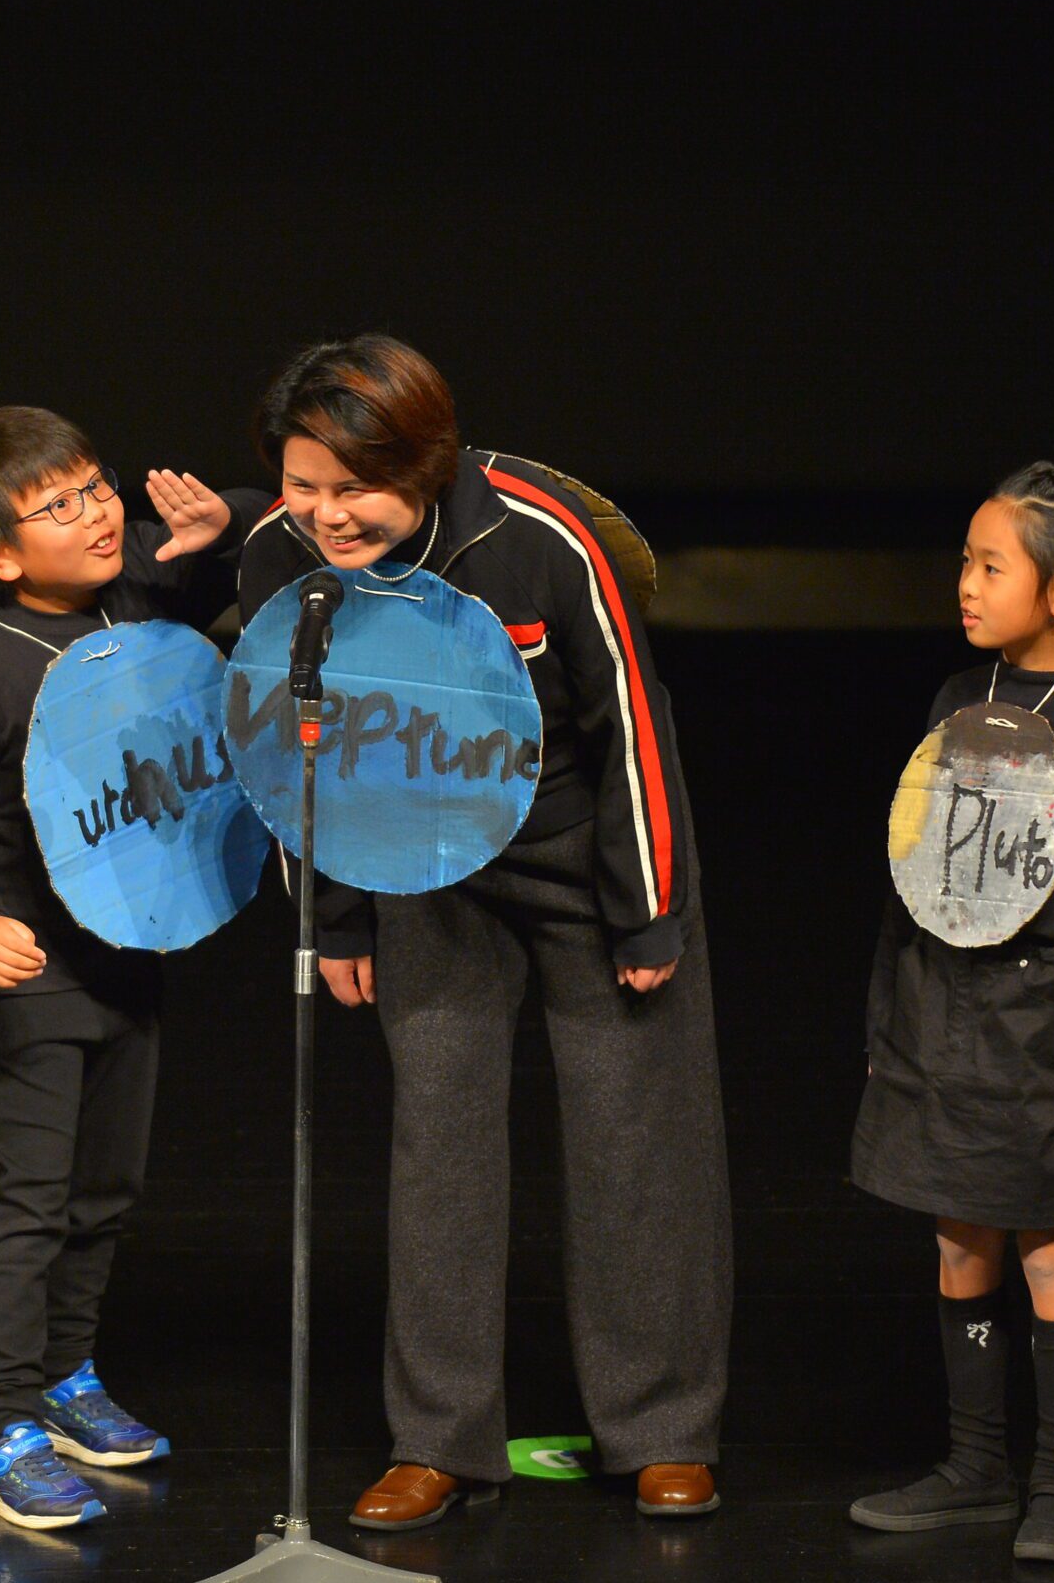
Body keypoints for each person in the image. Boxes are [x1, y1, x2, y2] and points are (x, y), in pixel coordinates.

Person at [235, 334, 731, 1528]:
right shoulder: (280, 562)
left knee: (633, 1145)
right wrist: (337, 913)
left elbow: (631, 726)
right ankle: (439, 1440)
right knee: (438, 1147)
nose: (323, 514)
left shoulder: (538, 535)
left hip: (582, 856)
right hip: (425, 863)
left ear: (425, 462)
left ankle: (661, 1429)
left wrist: (648, 907)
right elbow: (302, 751)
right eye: (301, 485)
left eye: (351, 488)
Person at [0, 406, 265, 1530]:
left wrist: (225, 525)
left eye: (98, 487)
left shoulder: (140, 602)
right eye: (56, 506)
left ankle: (66, 1378)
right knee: (26, 1198)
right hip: (30, 971)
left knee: (103, 1193)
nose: (97, 513)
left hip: (130, 954)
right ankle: (0, 1422)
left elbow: (239, 565)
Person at [846, 461, 1054, 1565]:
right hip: (945, 1008)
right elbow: (918, 871)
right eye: (965, 562)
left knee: (1047, 1242)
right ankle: (975, 1466)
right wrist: (889, 1033)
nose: (968, 584)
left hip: (1047, 1018)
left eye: (993, 566)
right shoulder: (957, 699)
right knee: (957, 1233)